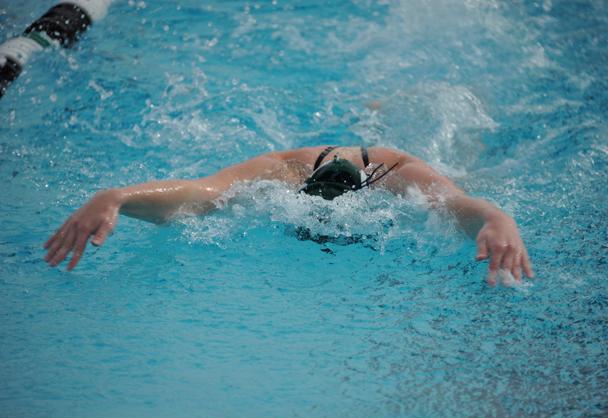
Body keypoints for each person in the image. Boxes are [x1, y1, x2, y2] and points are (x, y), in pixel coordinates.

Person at [44, 145, 534, 285]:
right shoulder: (280, 170)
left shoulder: (401, 172)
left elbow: (458, 205)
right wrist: (118, 197)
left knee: (463, 172)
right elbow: (201, 195)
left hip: (412, 164)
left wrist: (495, 216)